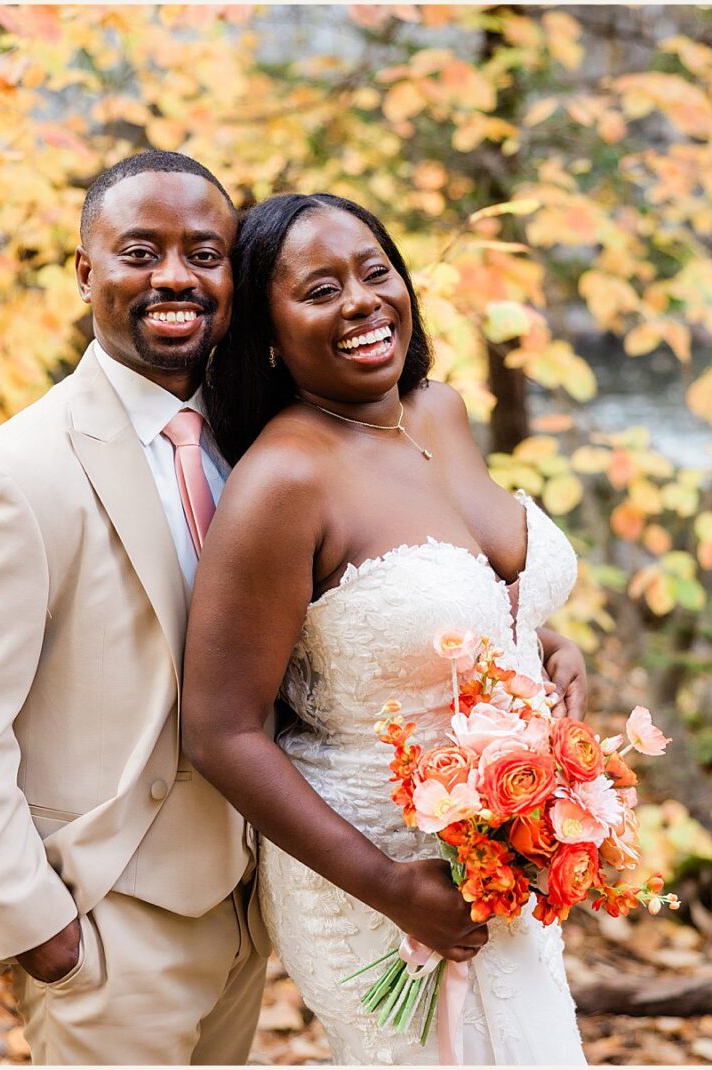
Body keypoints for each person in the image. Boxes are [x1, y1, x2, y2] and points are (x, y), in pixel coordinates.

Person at [182, 192, 591, 1064]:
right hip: (379, 883)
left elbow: (477, 583)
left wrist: (547, 648)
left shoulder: (437, 410)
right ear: (266, 329)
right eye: (320, 289)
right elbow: (219, 731)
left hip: (499, 859)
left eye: (376, 272)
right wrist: (391, 887)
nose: (364, 301)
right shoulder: (284, 482)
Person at [0, 151, 268, 1065]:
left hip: (250, 910)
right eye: (140, 251)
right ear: (85, 271)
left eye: (204, 253)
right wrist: (38, 927)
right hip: (105, 928)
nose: (174, 276)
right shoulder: (10, 474)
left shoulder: (256, 444)